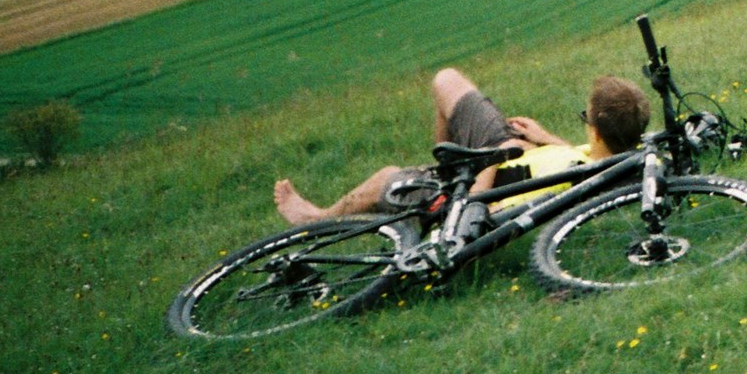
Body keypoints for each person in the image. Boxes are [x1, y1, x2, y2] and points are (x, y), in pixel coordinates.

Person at [272, 67, 650, 227]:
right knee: (446, 81)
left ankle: (317, 220)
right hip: (505, 151)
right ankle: (439, 169)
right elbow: (575, 162)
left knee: (385, 179)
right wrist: (546, 138)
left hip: (480, 179)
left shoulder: (563, 180)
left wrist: (484, 169)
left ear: (596, 132)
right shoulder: (604, 160)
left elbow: (493, 205)